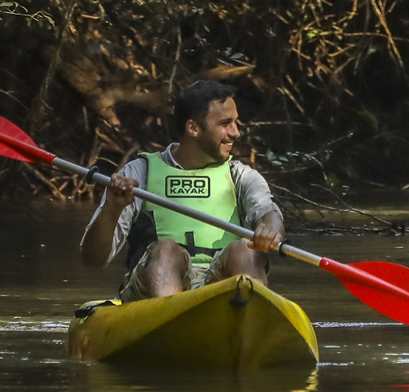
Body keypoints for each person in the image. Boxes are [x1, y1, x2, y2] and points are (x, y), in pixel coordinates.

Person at [80, 79, 286, 298]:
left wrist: (271, 230)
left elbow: (268, 214)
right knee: (166, 249)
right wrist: (111, 209)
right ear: (193, 128)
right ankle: (170, 315)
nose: (235, 132)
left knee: (246, 248)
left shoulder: (241, 176)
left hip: (220, 281)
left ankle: (252, 317)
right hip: (153, 286)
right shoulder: (140, 173)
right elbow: (92, 259)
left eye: (236, 123)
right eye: (225, 124)